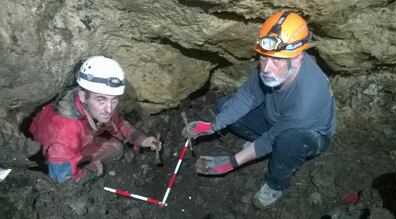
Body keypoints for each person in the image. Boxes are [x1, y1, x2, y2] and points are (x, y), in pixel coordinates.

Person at [183, 11, 336, 209]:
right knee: (224, 107)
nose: (266, 68)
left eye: (276, 61)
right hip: (277, 117)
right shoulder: (275, 67)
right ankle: (260, 148)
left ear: (297, 58)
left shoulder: (308, 97)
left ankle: (276, 183)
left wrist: (231, 163)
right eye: (263, 58)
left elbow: (272, 137)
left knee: (288, 142)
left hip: (308, 137)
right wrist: (212, 126)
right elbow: (247, 96)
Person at [30, 56, 160, 184]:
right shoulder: (65, 132)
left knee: (117, 148)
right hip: (52, 157)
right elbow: (63, 179)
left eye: (114, 99)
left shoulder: (92, 104)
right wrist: (90, 171)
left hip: (78, 141)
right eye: (101, 99)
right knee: (112, 151)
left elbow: (116, 123)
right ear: (82, 96)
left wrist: (140, 139)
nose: (109, 109)